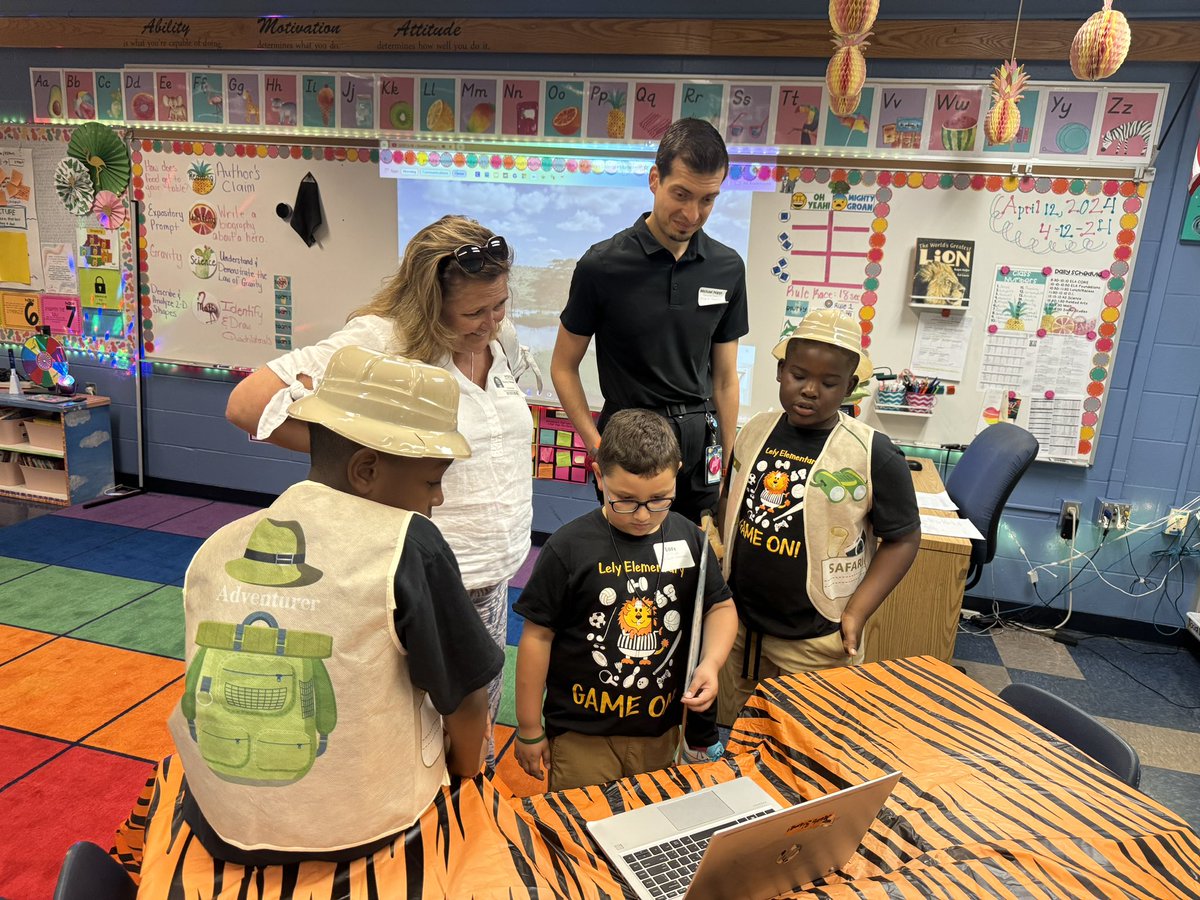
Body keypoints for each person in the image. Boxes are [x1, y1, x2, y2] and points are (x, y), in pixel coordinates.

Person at [169, 346, 505, 863]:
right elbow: (466, 699)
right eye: (433, 480)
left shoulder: (219, 545)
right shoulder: (410, 544)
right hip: (364, 830)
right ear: (366, 470)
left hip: (219, 818)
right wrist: (467, 780)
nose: (436, 499)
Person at [226, 215, 532, 756]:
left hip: (490, 574)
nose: (492, 321)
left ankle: (466, 821)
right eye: (474, 312)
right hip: (421, 574)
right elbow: (247, 404)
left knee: (475, 731)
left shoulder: (499, 339)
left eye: (499, 304)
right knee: (413, 741)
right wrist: (366, 454)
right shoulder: (380, 339)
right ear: (428, 302)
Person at [513, 409, 738, 792]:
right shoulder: (567, 547)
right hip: (582, 735)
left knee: (649, 825)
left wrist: (712, 663)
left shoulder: (690, 539)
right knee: (581, 830)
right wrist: (530, 727)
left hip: (659, 731)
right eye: (625, 500)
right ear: (599, 476)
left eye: (659, 499)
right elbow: (537, 638)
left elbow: (720, 607)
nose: (642, 515)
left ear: (678, 474)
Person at [716, 309, 921, 726]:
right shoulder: (755, 429)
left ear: (850, 387)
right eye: (798, 375)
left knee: (805, 744)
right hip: (740, 631)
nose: (810, 391)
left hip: (814, 637)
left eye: (829, 383)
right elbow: (730, 500)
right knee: (737, 734)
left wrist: (857, 612)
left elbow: (903, 538)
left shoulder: (871, 453)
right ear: (779, 372)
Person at [551, 117, 748, 525]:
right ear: (654, 179)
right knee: (627, 568)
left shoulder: (728, 267)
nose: (692, 214)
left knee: (691, 560)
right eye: (682, 194)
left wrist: (729, 463)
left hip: (700, 445)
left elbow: (726, 379)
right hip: (629, 445)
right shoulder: (602, 265)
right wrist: (596, 445)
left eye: (708, 199)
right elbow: (563, 366)